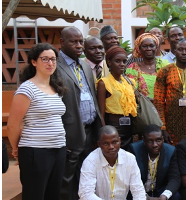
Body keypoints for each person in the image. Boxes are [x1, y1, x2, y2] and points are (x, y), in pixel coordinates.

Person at [7, 43, 67, 200]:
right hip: (36, 150)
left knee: (53, 194)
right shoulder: (27, 89)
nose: (50, 63)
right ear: (34, 62)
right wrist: (15, 149)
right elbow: (12, 125)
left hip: (58, 148)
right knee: (35, 195)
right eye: (45, 59)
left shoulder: (55, 87)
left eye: (53, 59)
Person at [57, 26, 103, 200]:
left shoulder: (84, 64)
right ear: (62, 42)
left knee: (86, 174)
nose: (79, 45)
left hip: (90, 129)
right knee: (67, 177)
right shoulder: (55, 65)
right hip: (70, 130)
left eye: (80, 41)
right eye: (73, 42)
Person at [154, 38, 186, 144]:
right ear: (175, 51)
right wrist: (162, 127)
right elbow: (158, 101)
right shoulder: (165, 72)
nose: (184, 53)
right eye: (180, 49)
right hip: (171, 124)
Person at [79, 126, 146, 199]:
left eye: (114, 142)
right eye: (105, 143)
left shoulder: (130, 159)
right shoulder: (90, 161)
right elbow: (85, 193)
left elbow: (138, 191)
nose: (111, 147)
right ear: (99, 144)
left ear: (120, 141)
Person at [96, 46, 137, 150]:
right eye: (117, 61)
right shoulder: (103, 83)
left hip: (129, 127)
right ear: (109, 62)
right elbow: (101, 113)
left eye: (124, 61)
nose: (122, 64)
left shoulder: (130, 82)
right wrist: (104, 132)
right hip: (113, 127)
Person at [129, 124, 181, 200]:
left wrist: (164, 196)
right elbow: (130, 179)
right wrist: (144, 196)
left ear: (163, 139)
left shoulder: (171, 151)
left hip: (160, 190)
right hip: (139, 191)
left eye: (158, 140)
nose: (155, 145)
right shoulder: (134, 150)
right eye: (150, 141)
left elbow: (175, 178)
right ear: (144, 140)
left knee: (175, 196)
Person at [125, 33, 169, 100]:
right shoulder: (133, 68)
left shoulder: (165, 65)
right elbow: (131, 91)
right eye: (145, 46)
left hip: (164, 107)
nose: (148, 48)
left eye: (152, 46)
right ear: (139, 49)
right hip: (143, 108)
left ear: (156, 48)